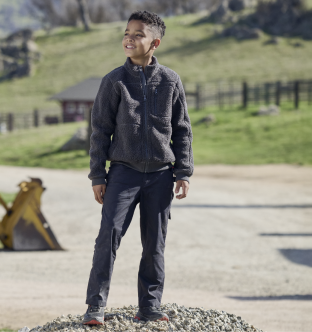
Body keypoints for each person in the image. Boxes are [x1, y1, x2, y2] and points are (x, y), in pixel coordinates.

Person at [83, 10, 194, 326]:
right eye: (127, 33)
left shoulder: (171, 81)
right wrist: (97, 175)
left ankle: (149, 306)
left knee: (154, 244)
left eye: (138, 34)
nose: (129, 39)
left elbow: (182, 128)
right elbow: (100, 131)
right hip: (123, 173)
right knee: (108, 236)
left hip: (161, 175)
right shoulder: (114, 81)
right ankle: (95, 307)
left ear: (154, 42)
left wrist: (184, 172)